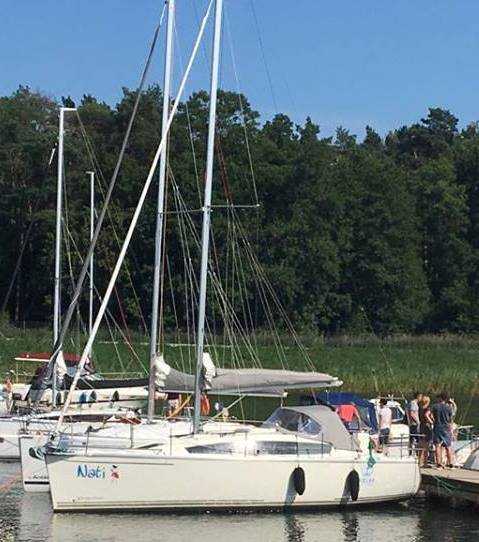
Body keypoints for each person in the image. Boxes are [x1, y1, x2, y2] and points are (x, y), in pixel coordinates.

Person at [432, 392, 455, 468]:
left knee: (437, 445)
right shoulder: (449, 408)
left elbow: (431, 415)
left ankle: (439, 463)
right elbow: (451, 419)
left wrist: (433, 421)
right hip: (446, 427)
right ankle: (451, 463)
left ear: (440, 398)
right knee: (448, 446)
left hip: (438, 427)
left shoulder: (435, 406)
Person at [418, 395, 434, 467]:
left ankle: (419, 461)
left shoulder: (420, 408)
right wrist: (431, 422)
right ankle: (425, 463)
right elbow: (426, 415)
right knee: (426, 445)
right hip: (427, 427)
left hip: (421, 426)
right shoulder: (428, 408)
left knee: (421, 444)